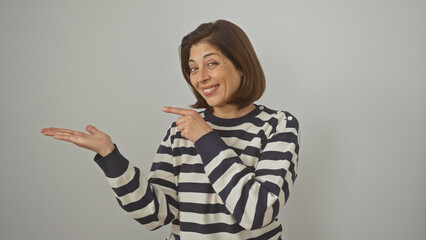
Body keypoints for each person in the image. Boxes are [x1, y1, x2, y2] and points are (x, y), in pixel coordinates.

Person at [41, 19, 300, 240]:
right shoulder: (181, 131)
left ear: (241, 66)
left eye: (211, 63)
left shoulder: (278, 125)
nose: (201, 77)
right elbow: (156, 214)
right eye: (193, 68)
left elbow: (256, 213)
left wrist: (206, 139)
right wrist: (110, 156)